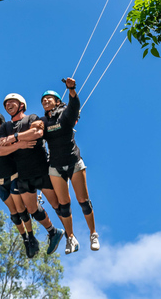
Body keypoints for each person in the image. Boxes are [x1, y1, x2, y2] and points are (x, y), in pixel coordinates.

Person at [0, 93, 65, 257]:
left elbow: (36, 134)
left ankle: (71, 234)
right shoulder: (5, 127)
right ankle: (53, 232)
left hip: (41, 169)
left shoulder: (31, 118)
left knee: (58, 205)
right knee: (32, 209)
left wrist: (13, 138)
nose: (8, 105)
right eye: (6, 103)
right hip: (23, 174)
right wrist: (20, 144)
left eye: (12, 102)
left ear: (21, 105)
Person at [40, 77, 99, 253]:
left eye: (48, 98)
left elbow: (74, 106)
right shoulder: (43, 122)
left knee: (83, 202)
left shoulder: (65, 113)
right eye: (43, 100)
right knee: (63, 205)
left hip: (74, 162)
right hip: (56, 166)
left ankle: (93, 233)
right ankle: (71, 238)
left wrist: (72, 90)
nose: (45, 101)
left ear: (58, 101)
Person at [0, 111, 35, 257]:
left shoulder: (5, 138)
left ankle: (31, 235)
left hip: (14, 177)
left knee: (21, 210)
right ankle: (25, 240)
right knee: (14, 215)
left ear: (1, 123)